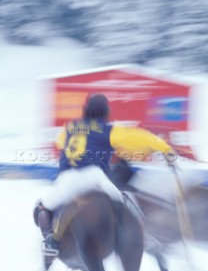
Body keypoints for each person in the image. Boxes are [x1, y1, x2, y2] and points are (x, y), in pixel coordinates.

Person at [33, 93, 174, 259]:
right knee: (124, 203)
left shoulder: (69, 127)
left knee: (43, 208)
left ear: (85, 109)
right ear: (106, 111)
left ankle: (52, 241)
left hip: (67, 180)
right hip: (94, 178)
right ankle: (139, 236)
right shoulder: (109, 130)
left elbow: (59, 141)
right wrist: (165, 149)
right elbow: (139, 138)